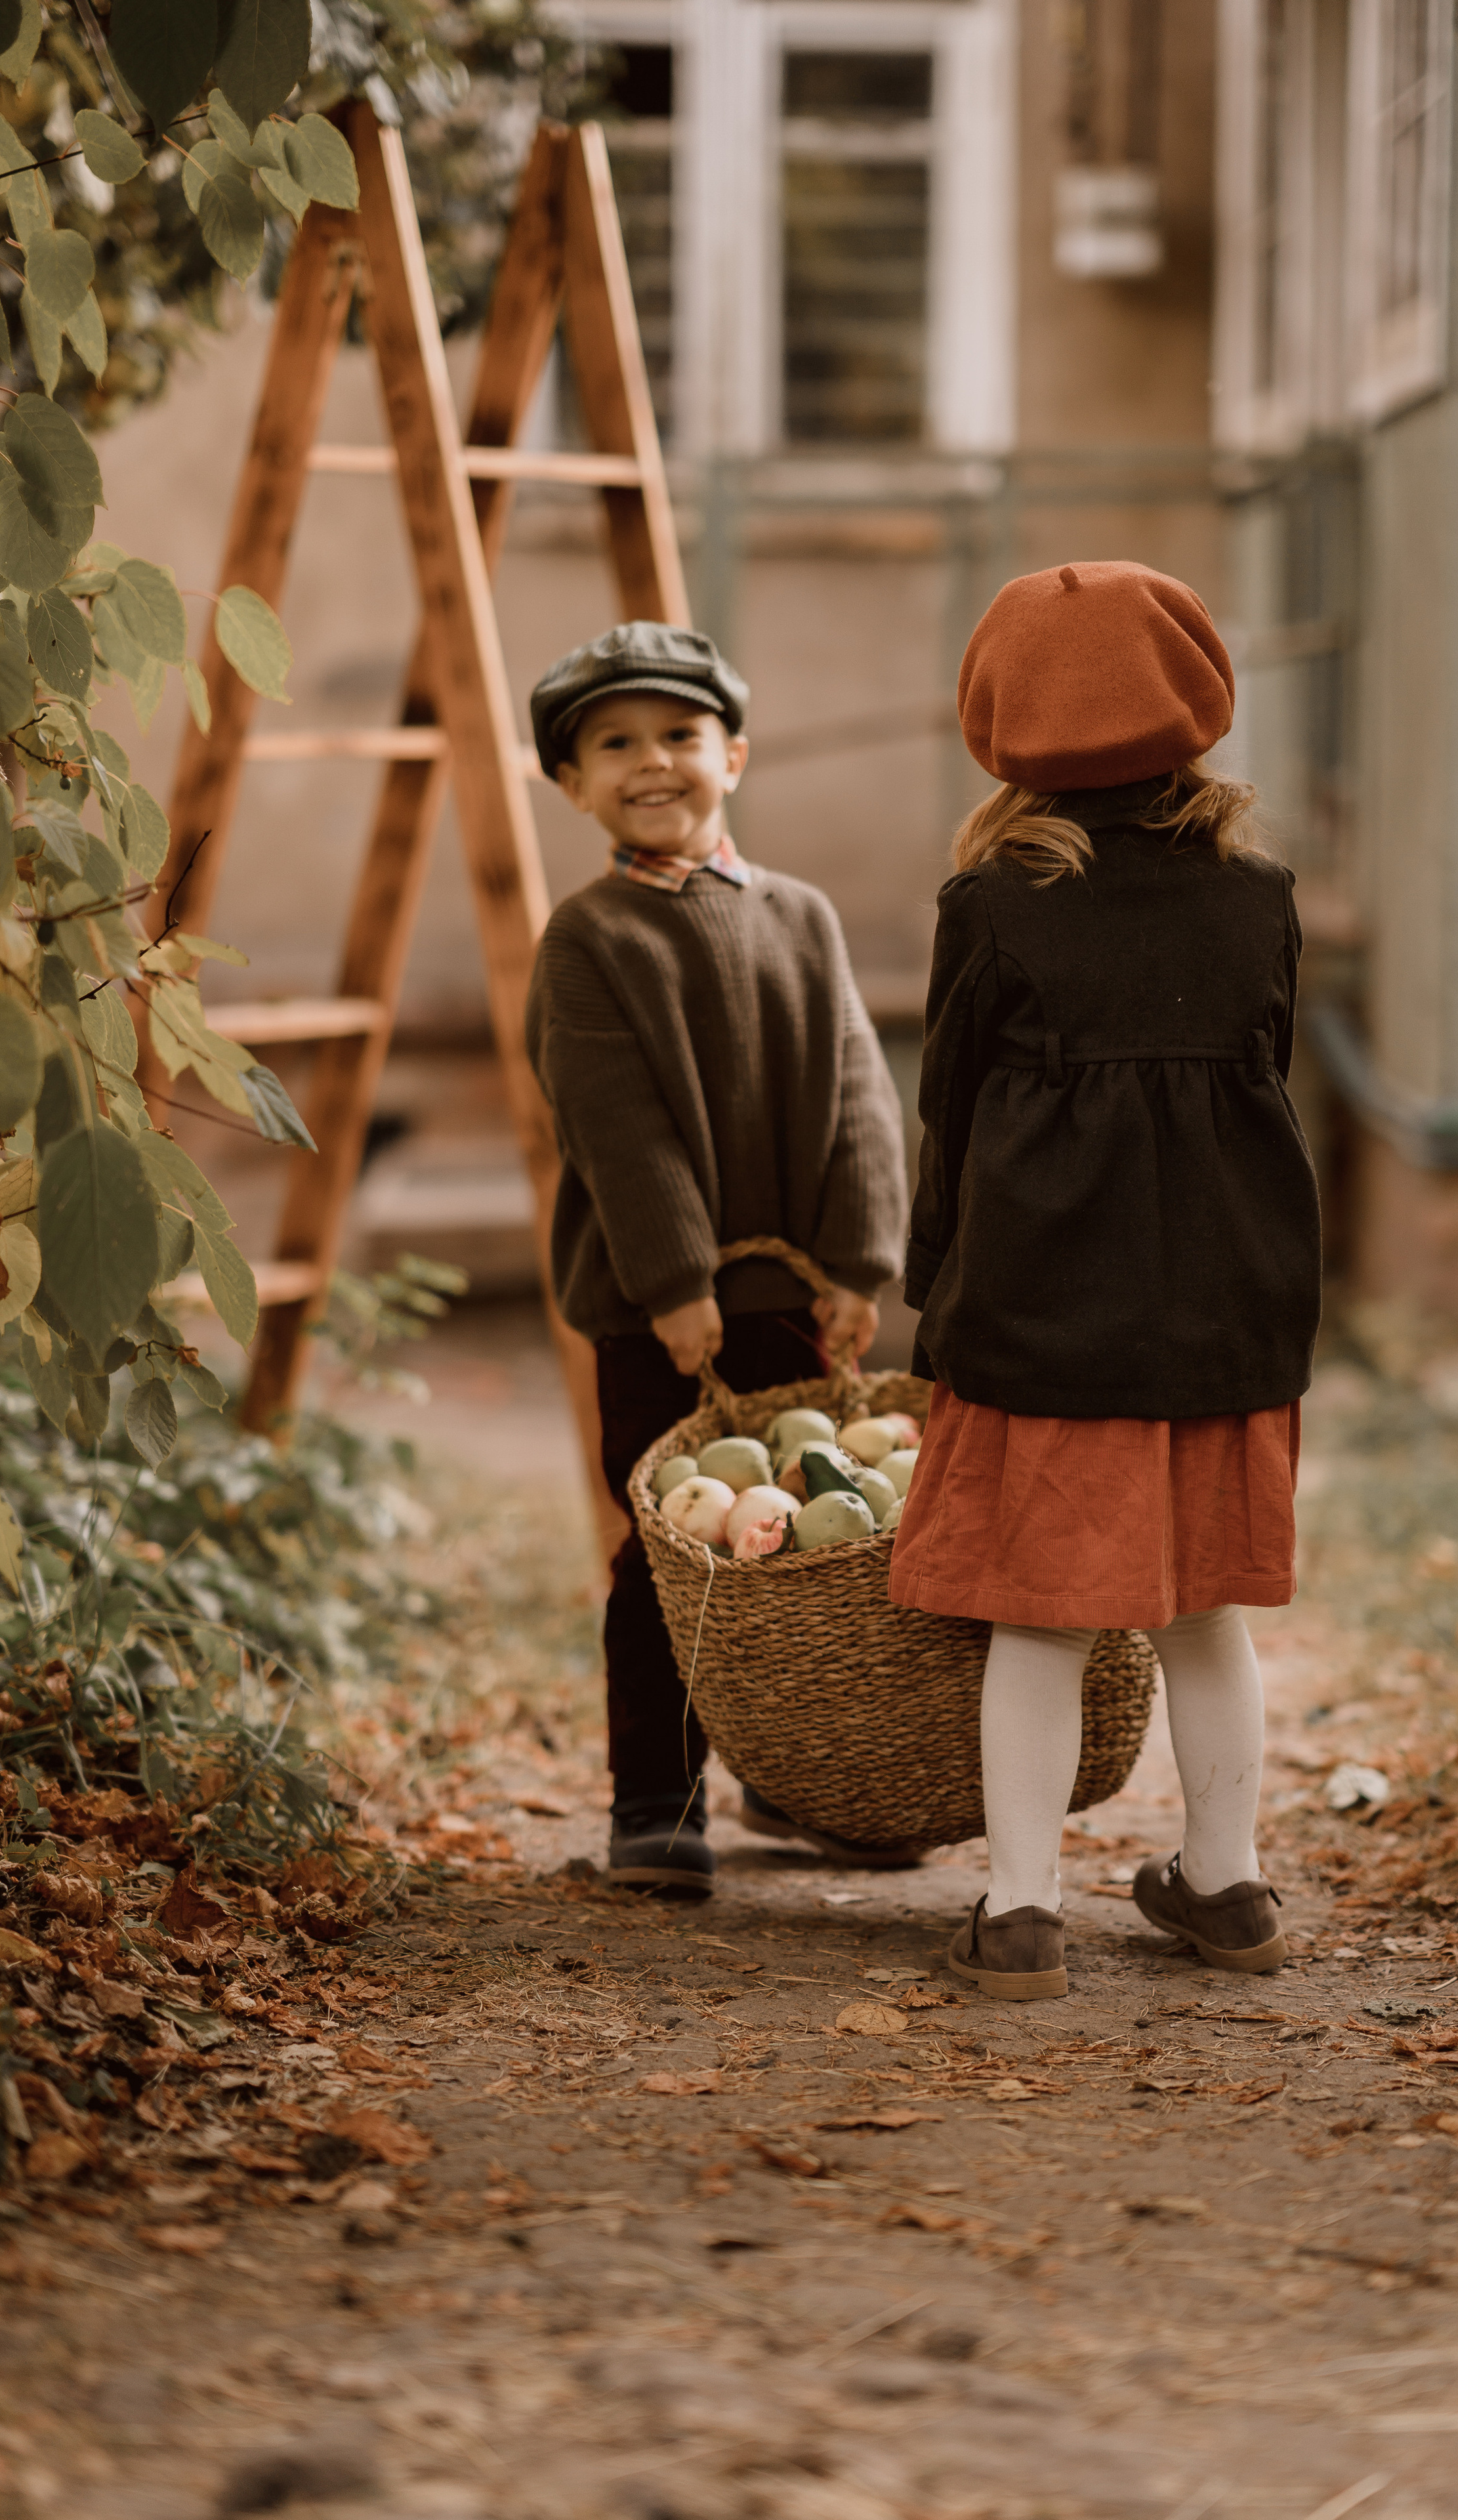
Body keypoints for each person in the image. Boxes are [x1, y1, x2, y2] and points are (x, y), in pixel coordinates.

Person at [888, 560, 1322, 1999]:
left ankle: (1019, 1914)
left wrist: (931, 1288)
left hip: (1043, 1317)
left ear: (1003, 722)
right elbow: (1261, 1090)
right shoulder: (1257, 901)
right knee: (1205, 1612)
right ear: (1194, 704)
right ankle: (1227, 1883)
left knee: (1038, 1617)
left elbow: (948, 1116)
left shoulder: (992, 905)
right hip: (1225, 1316)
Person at [525, 621, 909, 1895]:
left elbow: (857, 1086)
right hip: (656, 1314)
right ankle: (658, 1801)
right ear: (570, 785)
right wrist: (675, 1286)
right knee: (672, 1548)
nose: (651, 762)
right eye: (613, 744)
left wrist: (857, 1262)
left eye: (680, 736)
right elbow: (616, 1127)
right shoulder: (590, 939)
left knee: (799, 1545)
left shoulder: (799, 917)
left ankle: (796, 1785)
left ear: (732, 756)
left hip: (791, 1294)